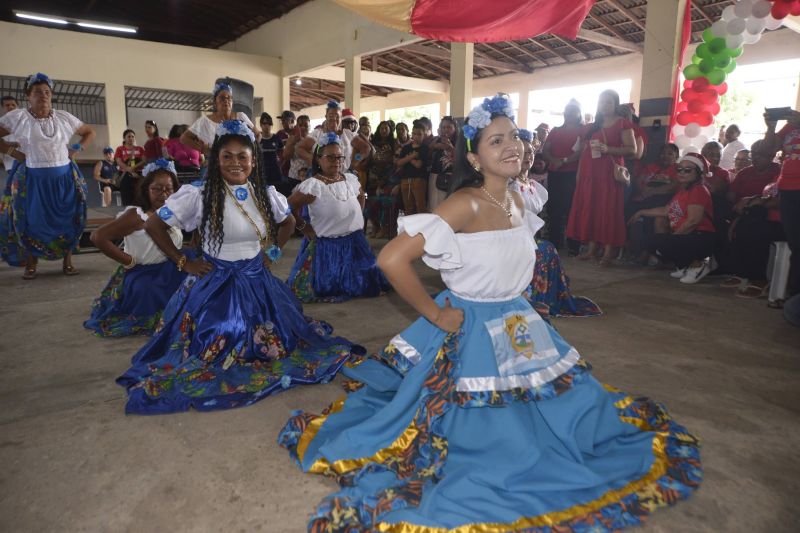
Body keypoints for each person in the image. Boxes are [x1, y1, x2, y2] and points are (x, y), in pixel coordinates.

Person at [279, 94, 700, 532]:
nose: (511, 146)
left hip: (519, 320)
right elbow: (391, 260)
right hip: (472, 326)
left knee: (564, 409)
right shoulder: (466, 203)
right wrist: (435, 315)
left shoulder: (519, 199)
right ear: (475, 157)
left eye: (514, 136)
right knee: (490, 435)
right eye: (495, 141)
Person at [116, 120, 361, 415]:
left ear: (253, 160)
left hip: (258, 280)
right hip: (214, 283)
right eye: (227, 157)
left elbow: (289, 222)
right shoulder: (199, 195)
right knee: (219, 333)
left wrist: (271, 253)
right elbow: (155, 224)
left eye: (242, 156)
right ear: (216, 160)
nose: (235, 163)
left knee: (282, 336)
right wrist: (183, 261)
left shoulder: (265, 193)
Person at [0, 73, 95, 279]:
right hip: (33, 179)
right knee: (33, 221)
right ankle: (31, 263)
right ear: (28, 96)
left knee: (68, 218)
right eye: (37, 92)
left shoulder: (64, 117)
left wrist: (77, 148)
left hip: (64, 179)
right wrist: (14, 153)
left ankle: (67, 262)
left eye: (47, 92)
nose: (43, 96)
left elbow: (89, 132)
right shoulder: (18, 118)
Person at [85, 159, 187, 337]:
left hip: (169, 268)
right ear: (146, 189)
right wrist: (128, 260)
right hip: (144, 274)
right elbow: (98, 237)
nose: (163, 194)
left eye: (168, 189)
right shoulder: (137, 215)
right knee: (152, 301)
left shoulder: (172, 212)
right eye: (156, 189)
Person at [286, 133, 390, 302]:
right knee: (327, 288)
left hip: (355, 243)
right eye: (331, 157)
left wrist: (355, 215)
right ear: (319, 159)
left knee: (368, 283)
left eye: (340, 157)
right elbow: (287, 207)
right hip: (328, 248)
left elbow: (361, 195)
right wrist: (304, 227)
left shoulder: (350, 179)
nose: (337, 161)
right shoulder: (313, 186)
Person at [513, 129, 602, 318]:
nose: (528, 157)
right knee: (545, 249)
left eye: (530, 152)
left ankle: (544, 298)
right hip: (512, 238)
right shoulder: (508, 185)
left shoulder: (533, 186)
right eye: (523, 153)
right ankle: (530, 297)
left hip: (529, 237)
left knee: (547, 249)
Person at [567, 89, 637, 266]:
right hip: (589, 173)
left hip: (608, 174)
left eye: (608, 102)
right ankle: (591, 250)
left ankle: (608, 252)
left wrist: (609, 149)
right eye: (601, 102)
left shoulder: (622, 124)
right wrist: (579, 174)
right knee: (592, 209)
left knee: (608, 210)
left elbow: (632, 150)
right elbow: (585, 151)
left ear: (615, 104)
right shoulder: (593, 125)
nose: (604, 105)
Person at [629, 153, 716, 284]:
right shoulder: (683, 191)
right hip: (689, 235)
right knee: (649, 241)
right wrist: (641, 212)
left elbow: (693, 221)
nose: (682, 173)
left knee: (661, 242)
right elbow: (666, 210)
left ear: (698, 173)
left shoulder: (698, 190)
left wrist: (673, 239)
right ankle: (685, 265)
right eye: (679, 169)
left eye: (687, 170)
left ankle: (699, 265)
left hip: (700, 236)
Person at [718, 180, 783, 298]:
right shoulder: (779, 176)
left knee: (756, 229)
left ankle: (759, 279)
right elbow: (767, 197)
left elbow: (788, 201)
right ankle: (742, 272)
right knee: (740, 225)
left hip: (786, 224)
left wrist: (756, 202)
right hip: (764, 218)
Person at [765, 107, 800, 298]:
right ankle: (793, 294)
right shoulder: (790, 126)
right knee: (796, 243)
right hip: (788, 189)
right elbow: (770, 150)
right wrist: (771, 128)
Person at [180, 82, 258, 166]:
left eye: (229, 98)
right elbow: (184, 138)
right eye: (222, 98)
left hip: (239, 164)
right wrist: (203, 149)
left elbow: (257, 135)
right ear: (215, 103)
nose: (226, 101)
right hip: (215, 163)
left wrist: (249, 151)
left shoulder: (241, 117)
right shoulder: (205, 121)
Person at [624, 143, 679, 261]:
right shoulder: (651, 167)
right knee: (627, 210)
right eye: (663, 153)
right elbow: (639, 181)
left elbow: (674, 186)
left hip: (663, 200)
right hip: (645, 198)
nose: (665, 156)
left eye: (670, 154)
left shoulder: (677, 169)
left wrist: (653, 192)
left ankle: (647, 251)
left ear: (676, 157)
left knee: (651, 212)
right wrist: (643, 191)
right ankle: (626, 247)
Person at [542, 99, 583, 254]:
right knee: (555, 209)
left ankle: (574, 244)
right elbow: (546, 149)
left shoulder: (582, 130)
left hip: (572, 174)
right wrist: (554, 161)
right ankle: (555, 242)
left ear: (579, 113)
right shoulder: (555, 130)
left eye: (573, 111)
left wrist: (565, 161)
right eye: (567, 110)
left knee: (572, 208)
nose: (570, 113)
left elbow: (581, 152)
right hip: (555, 173)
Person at [295, 101, 370, 174]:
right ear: (326, 117)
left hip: (343, 176)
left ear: (341, 118)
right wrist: (312, 159)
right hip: (321, 177)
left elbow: (366, 148)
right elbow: (299, 148)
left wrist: (354, 162)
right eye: (331, 115)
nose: (334, 118)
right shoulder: (317, 134)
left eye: (337, 116)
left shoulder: (348, 134)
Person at [365, 120, 397, 238]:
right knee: (371, 203)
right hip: (373, 176)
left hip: (388, 176)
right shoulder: (372, 143)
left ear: (390, 130)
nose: (384, 130)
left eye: (386, 128)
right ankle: (375, 226)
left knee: (384, 202)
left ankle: (384, 228)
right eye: (381, 128)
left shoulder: (394, 143)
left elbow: (395, 161)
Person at [396, 121, 429, 215]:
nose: (416, 136)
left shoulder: (424, 148)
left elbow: (418, 165)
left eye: (419, 134)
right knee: (408, 207)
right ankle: (410, 229)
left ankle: (421, 229)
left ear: (424, 135)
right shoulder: (406, 148)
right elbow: (399, 163)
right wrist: (411, 157)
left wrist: (407, 158)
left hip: (419, 180)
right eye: (414, 134)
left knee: (420, 206)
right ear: (411, 134)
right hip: (405, 180)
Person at [427, 115, 457, 210]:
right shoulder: (435, 140)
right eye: (443, 127)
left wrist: (451, 148)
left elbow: (463, 158)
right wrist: (433, 147)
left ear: (455, 128)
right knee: (435, 205)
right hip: (435, 175)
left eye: (449, 127)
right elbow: (427, 156)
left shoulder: (460, 141)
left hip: (453, 176)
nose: (446, 130)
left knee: (450, 206)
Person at [114, 129, 145, 206]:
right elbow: (119, 162)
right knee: (126, 192)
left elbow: (144, 160)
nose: (131, 138)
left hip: (138, 173)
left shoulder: (140, 149)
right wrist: (130, 170)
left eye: (132, 136)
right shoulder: (120, 149)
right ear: (124, 138)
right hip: (125, 174)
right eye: (129, 136)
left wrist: (135, 168)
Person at [283, 114, 310, 191]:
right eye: (300, 125)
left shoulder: (313, 139)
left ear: (309, 127)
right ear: (297, 126)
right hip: (294, 177)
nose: (303, 128)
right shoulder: (291, 139)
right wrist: (294, 142)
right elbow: (286, 156)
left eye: (306, 125)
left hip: (309, 177)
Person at [258, 112, 284, 188]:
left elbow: (283, 153)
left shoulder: (277, 138)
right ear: (261, 125)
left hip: (275, 172)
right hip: (262, 173)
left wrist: (280, 163)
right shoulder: (257, 139)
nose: (267, 126)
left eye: (269, 124)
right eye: (264, 123)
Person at [1, 95, 19, 173]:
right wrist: (11, 144)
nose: (11, 107)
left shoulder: (25, 121)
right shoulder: (1, 123)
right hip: (11, 163)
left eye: (13, 105)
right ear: (2, 107)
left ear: (17, 107)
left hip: (29, 162)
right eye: (7, 105)